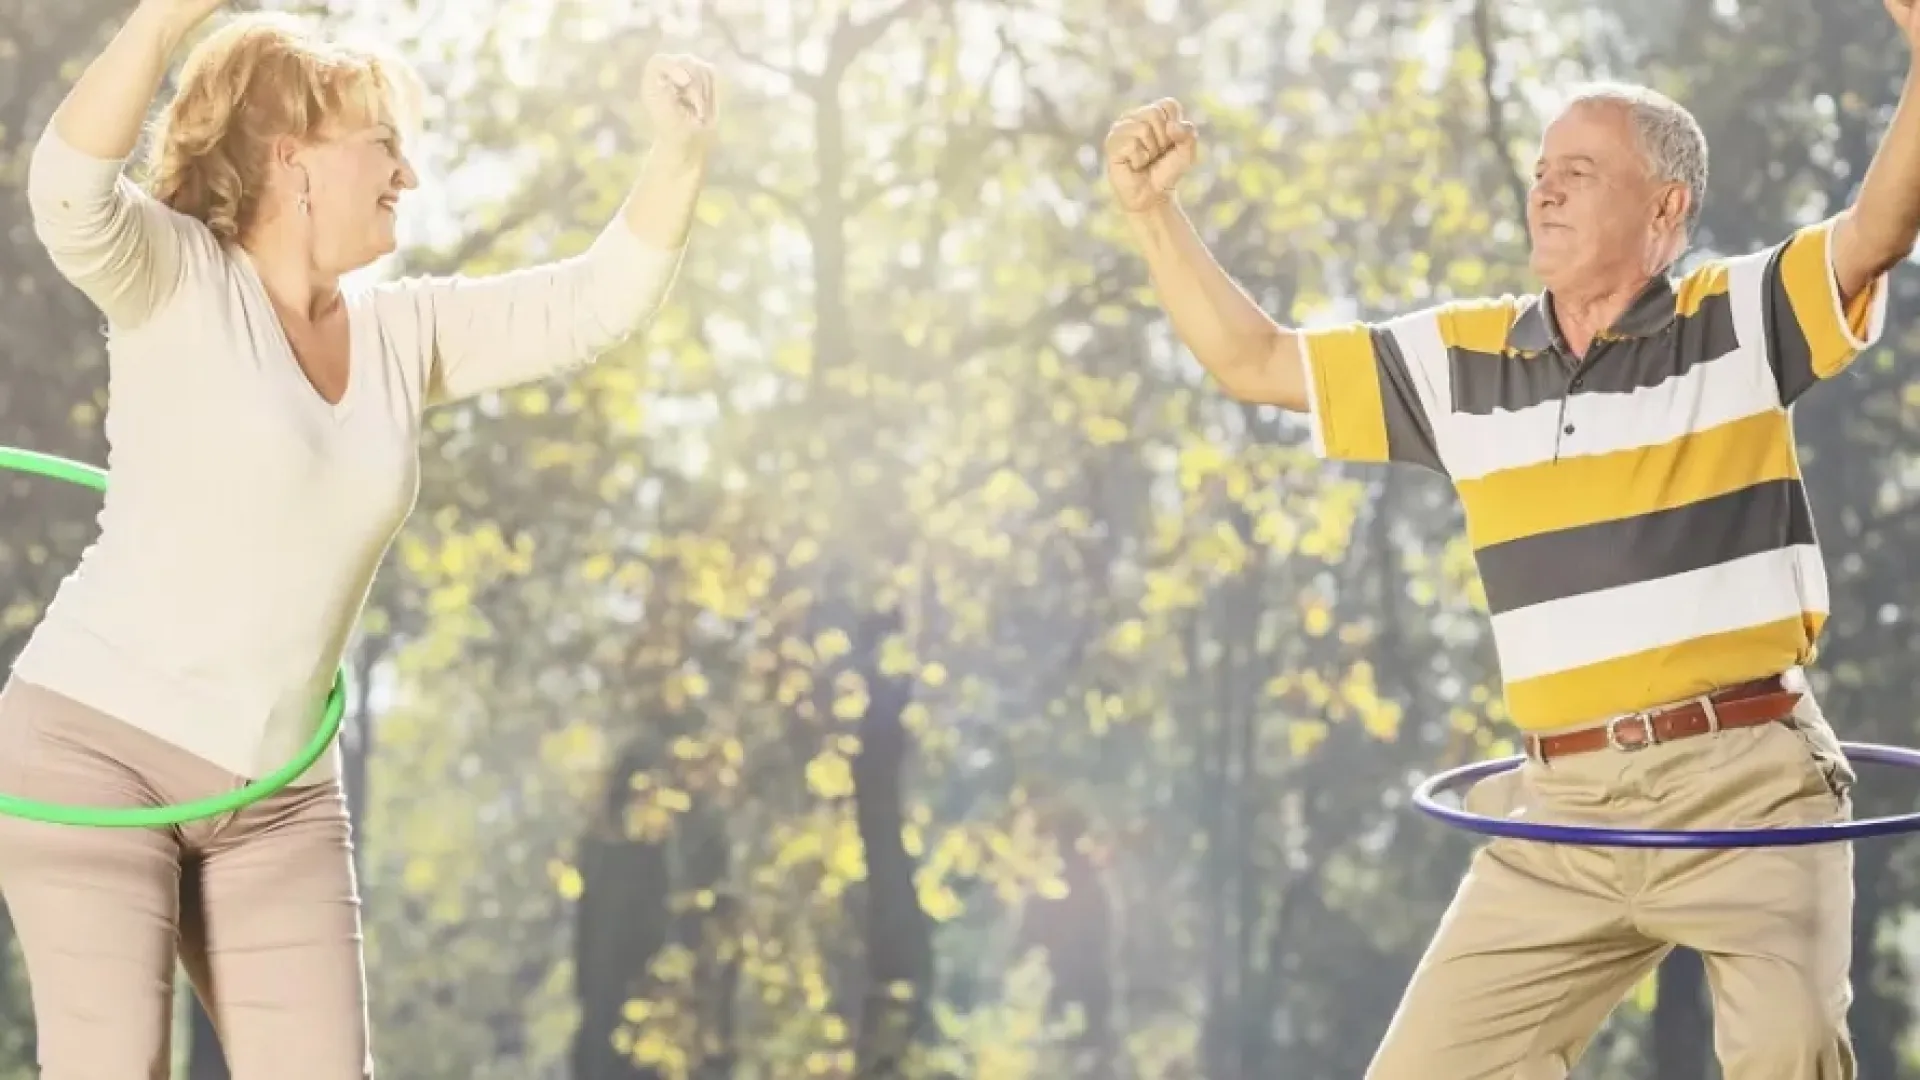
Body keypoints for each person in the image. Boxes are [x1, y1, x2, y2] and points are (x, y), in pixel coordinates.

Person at [1107, 2, 1920, 1077]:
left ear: (1665, 209)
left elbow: (1877, 232)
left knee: (1790, 1056)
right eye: (1543, 168)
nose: (1545, 186)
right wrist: (1155, 216)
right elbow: (1254, 361)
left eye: (1581, 169)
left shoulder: (1735, 319)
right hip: (1563, 809)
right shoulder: (1457, 359)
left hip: (1748, 783)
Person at [0, 0, 715, 1074]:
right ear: (293, 158)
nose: (409, 175)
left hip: (279, 787)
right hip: (96, 746)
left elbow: (594, 306)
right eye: (385, 143)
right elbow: (65, 194)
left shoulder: (402, 333)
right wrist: (158, 23)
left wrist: (680, 154)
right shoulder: (178, 278)